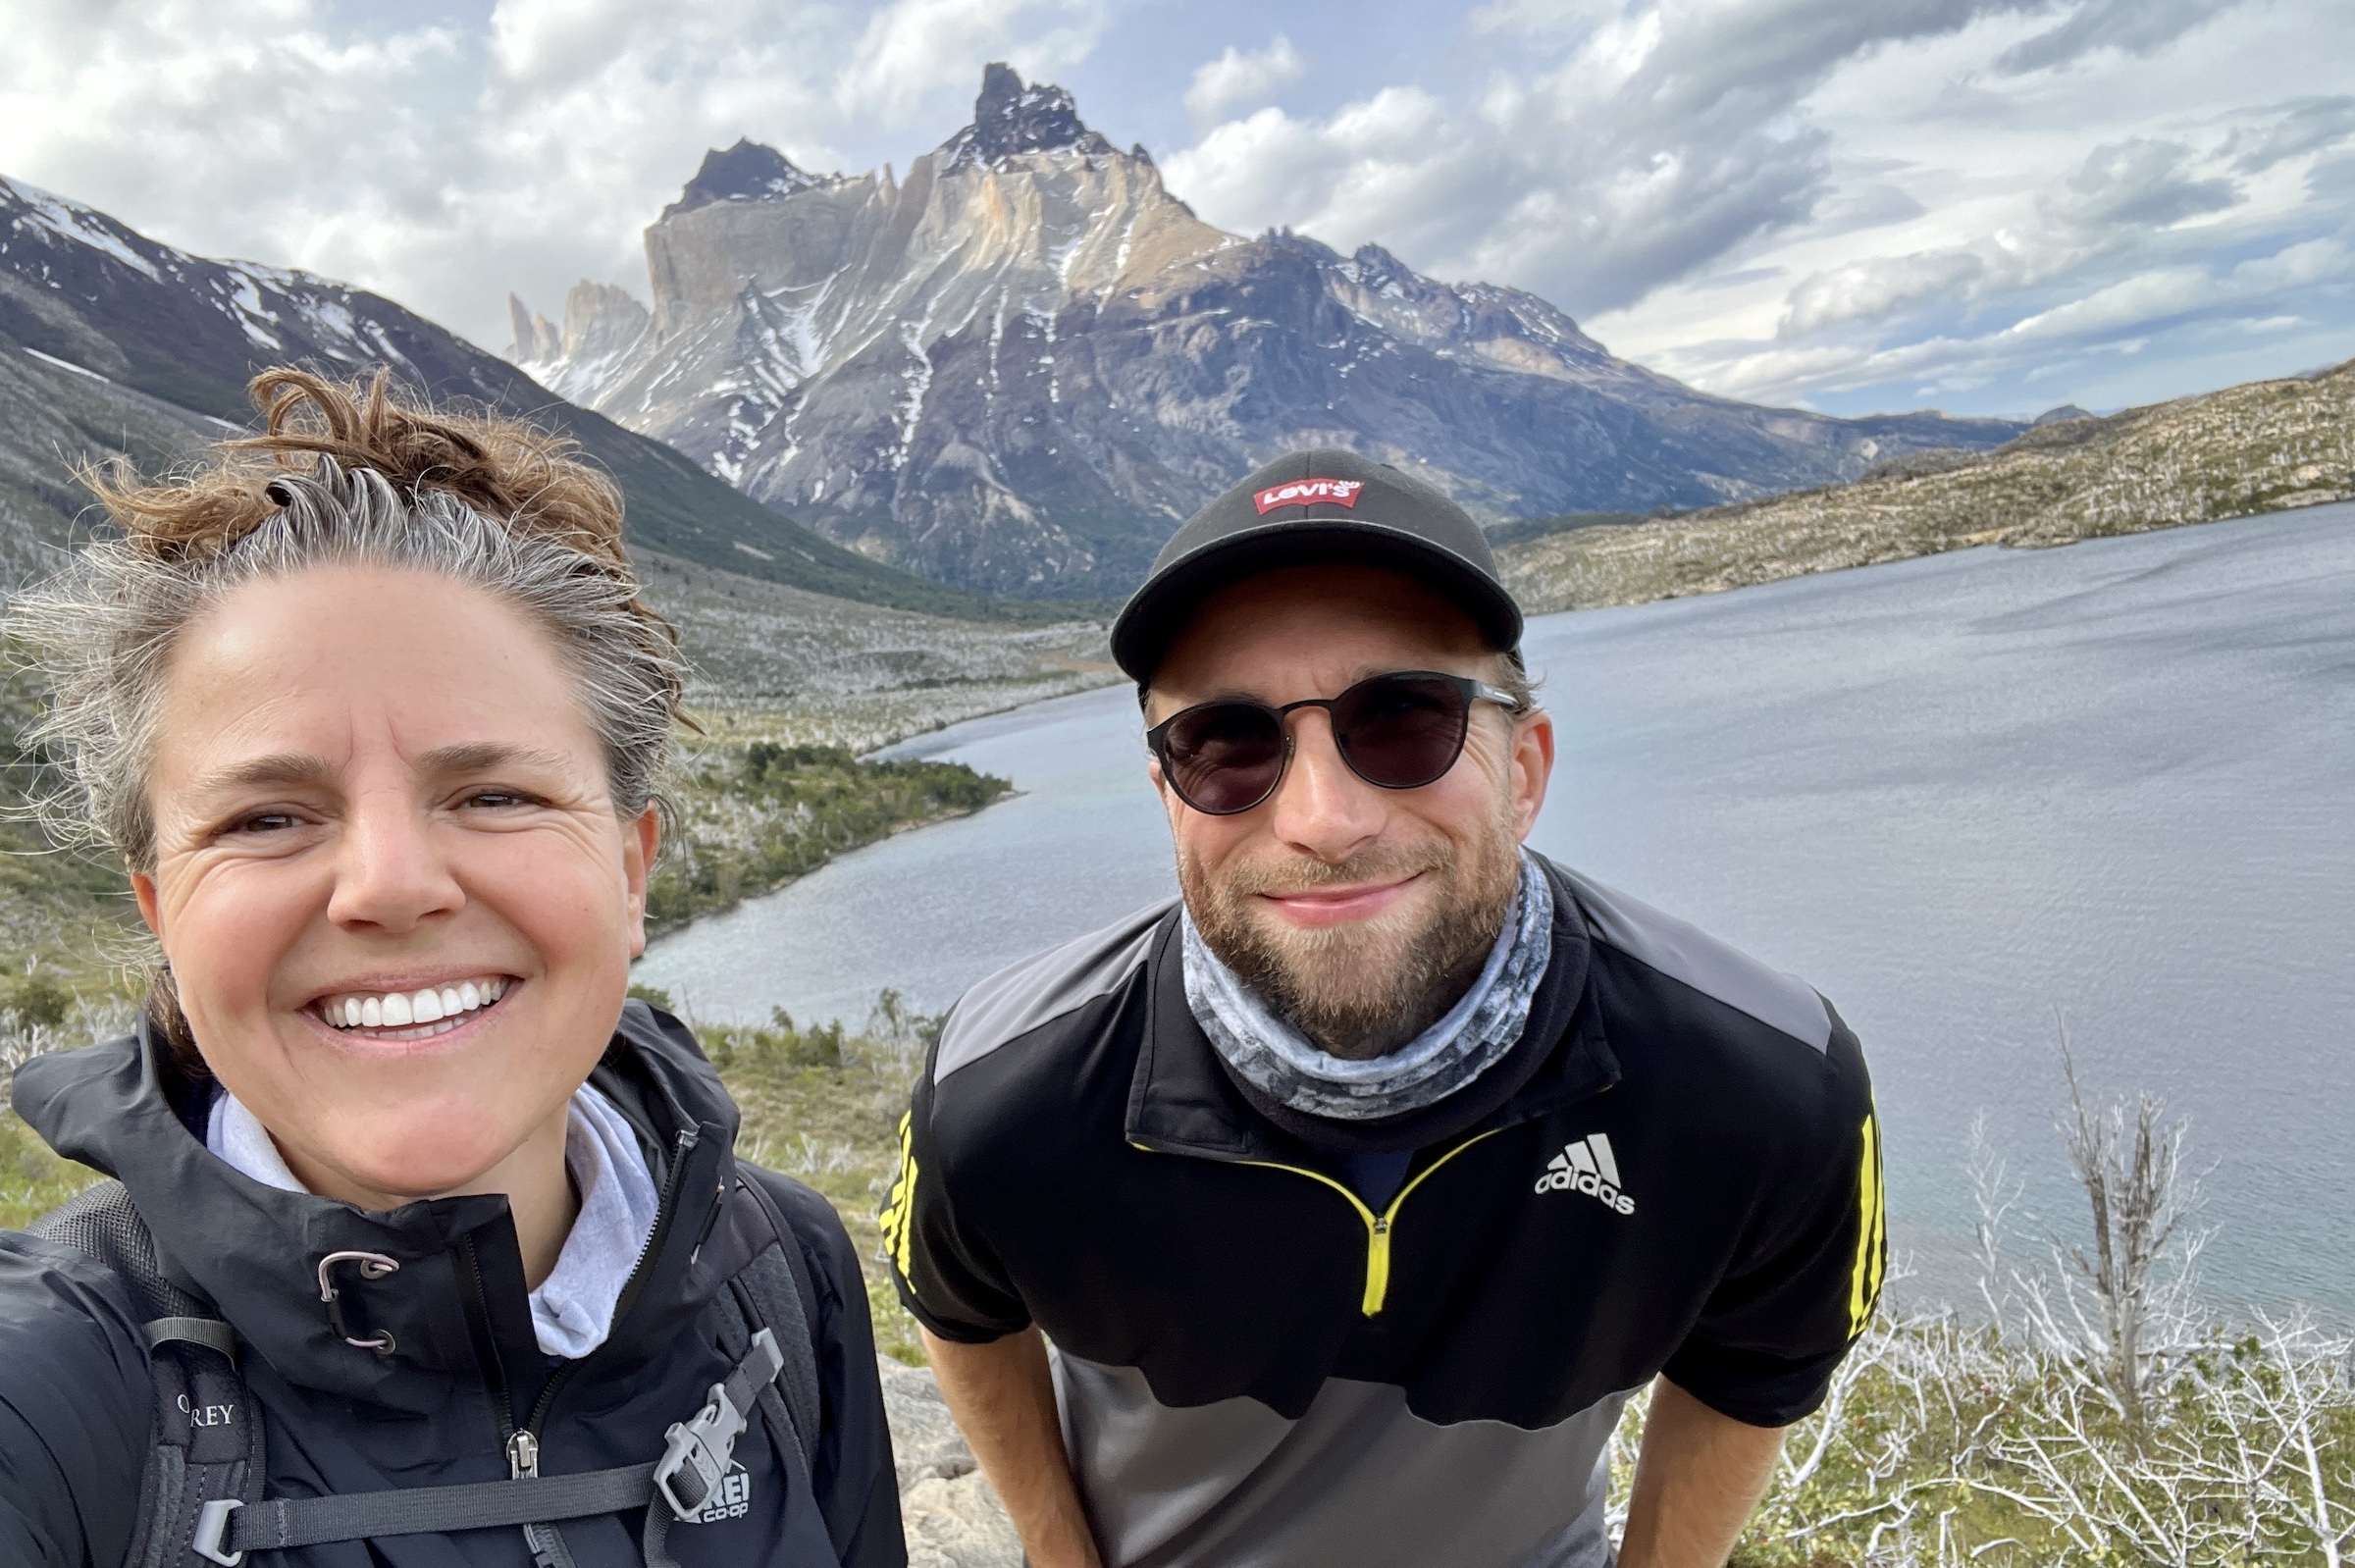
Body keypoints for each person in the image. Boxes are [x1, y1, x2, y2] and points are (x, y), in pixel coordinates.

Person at [879, 449, 1887, 1568]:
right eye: (1228, 743)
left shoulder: (1765, 1086)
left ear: (1526, 767)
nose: (1323, 817)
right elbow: (962, 1314)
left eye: (1406, 717)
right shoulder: (1004, 1093)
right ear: (1167, 795)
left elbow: (1750, 1374)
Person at [0, 372, 904, 1567]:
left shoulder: (779, 1269)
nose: (388, 881)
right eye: (267, 816)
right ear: (163, 908)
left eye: (494, 793)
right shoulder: (50, 1382)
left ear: (630, 873)